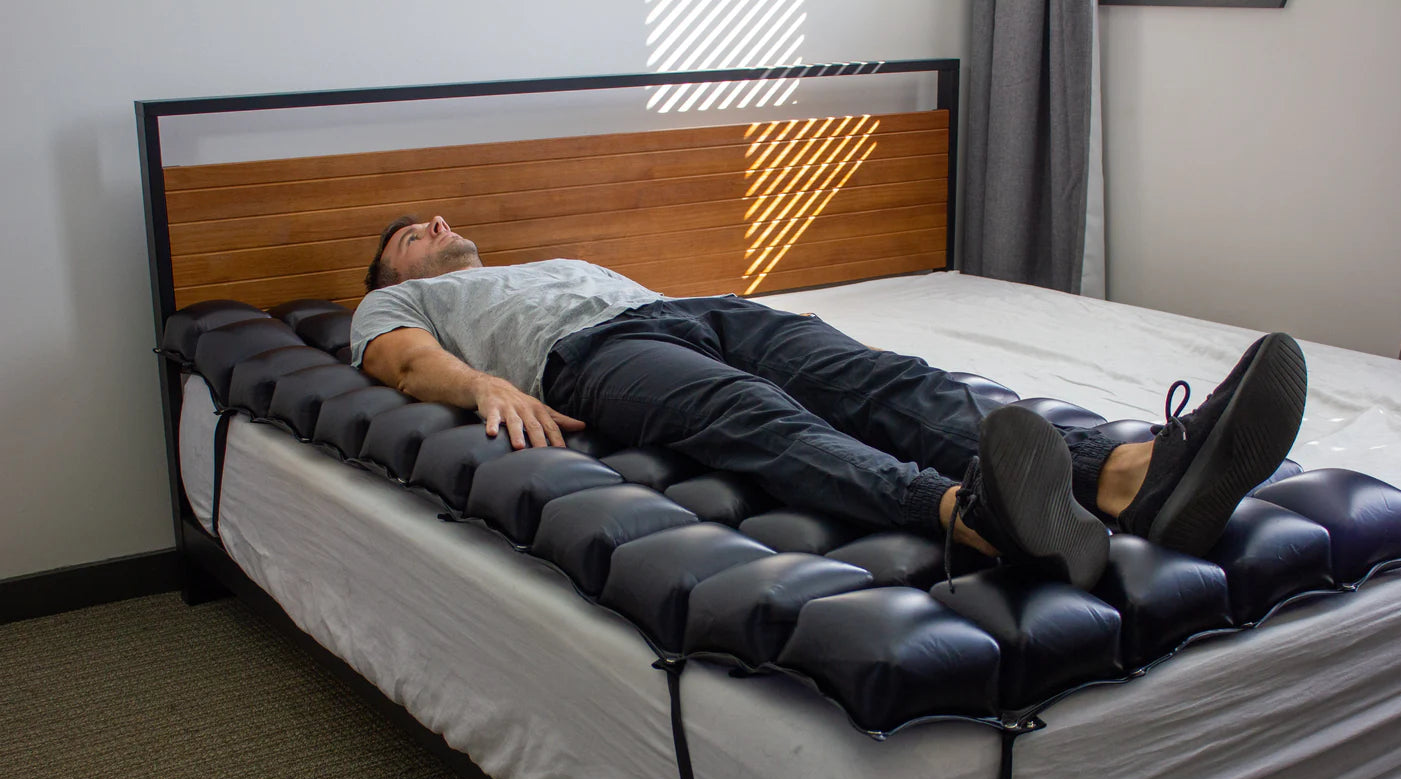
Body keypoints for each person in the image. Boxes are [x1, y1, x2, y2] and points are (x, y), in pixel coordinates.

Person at [351, 215, 1308, 591]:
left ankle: (1130, 476)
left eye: (441, 219)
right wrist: (487, 384)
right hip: (592, 359)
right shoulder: (399, 303)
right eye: (410, 232)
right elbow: (401, 366)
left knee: (892, 384)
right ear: (389, 270)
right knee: (752, 418)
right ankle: (971, 518)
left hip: (702, 310)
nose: (437, 226)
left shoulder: (554, 258)